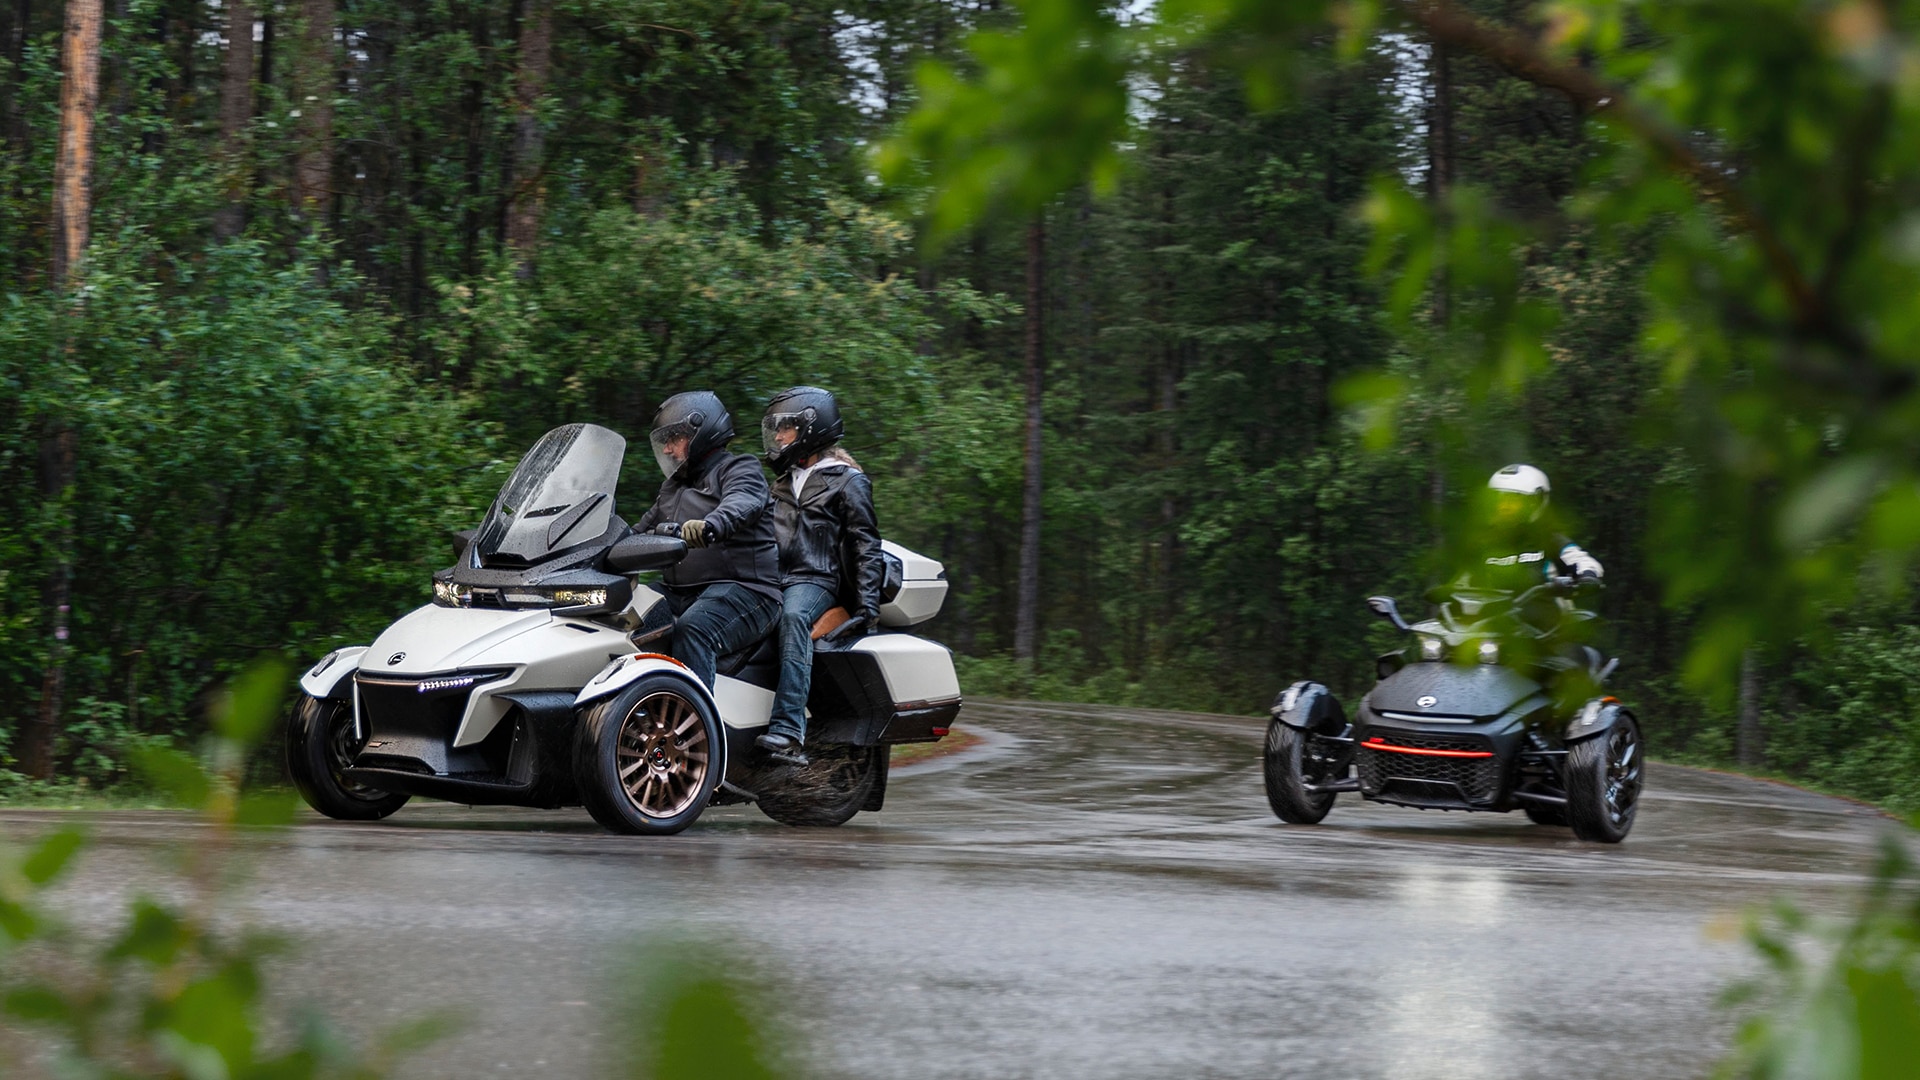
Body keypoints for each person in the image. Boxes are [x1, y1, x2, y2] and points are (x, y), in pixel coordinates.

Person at [756, 386, 885, 762]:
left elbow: (866, 543)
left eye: (786, 428)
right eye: (775, 429)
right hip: (772, 580)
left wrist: (867, 605)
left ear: (812, 429)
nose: (778, 437)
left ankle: (788, 730)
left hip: (815, 580)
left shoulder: (847, 480)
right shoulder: (781, 484)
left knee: (794, 617)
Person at [633, 391, 782, 688]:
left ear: (700, 433)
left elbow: (742, 502)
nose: (667, 450)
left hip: (748, 591)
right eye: (665, 442)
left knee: (694, 629)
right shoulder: (671, 487)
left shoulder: (741, 468)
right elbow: (637, 532)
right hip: (680, 591)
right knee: (627, 614)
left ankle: (699, 725)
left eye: (674, 439)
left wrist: (711, 525)